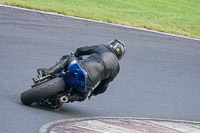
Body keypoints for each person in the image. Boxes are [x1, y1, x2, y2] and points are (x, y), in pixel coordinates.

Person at [37, 39, 126, 102]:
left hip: (80, 67)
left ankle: (48, 72)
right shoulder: (116, 68)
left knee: (68, 58)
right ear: (120, 55)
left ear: (110, 44)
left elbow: (81, 50)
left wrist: (76, 55)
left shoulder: (102, 48)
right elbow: (104, 85)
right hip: (88, 82)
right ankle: (65, 98)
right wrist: (94, 93)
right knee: (82, 96)